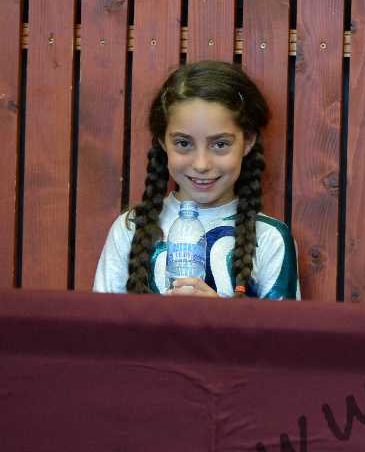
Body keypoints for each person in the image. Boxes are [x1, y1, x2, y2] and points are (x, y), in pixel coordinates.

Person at [94, 61, 298, 298]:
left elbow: (282, 324)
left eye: (220, 144)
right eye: (183, 143)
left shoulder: (270, 237)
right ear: (162, 141)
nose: (201, 164)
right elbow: (100, 321)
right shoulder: (130, 228)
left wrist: (213, 314)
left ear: (248, 141)